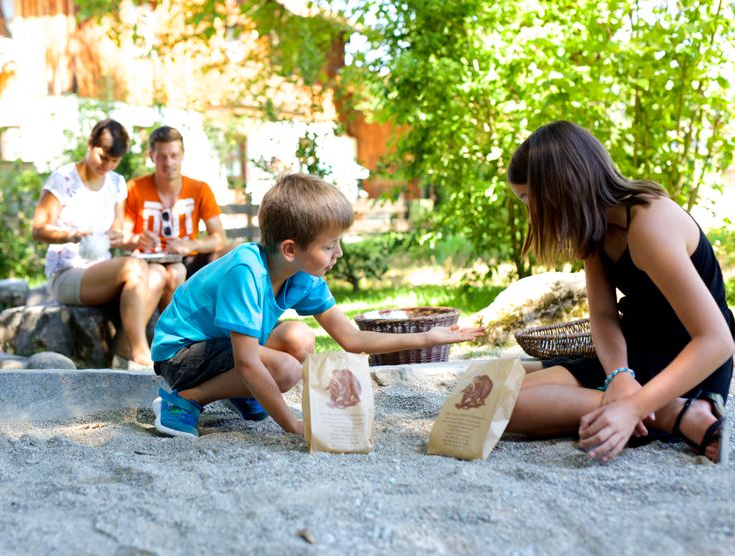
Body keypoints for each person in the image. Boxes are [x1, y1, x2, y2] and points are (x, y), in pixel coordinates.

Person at [149, 173, 484, 438]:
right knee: (286, 370)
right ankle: (185, 401)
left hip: (217, 346)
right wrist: (292, 425)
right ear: (291, 249)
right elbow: (248, 362)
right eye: (329, 246)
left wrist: (428, 339)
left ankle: (240, 393)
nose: (338, 254)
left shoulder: (302, 276)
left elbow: (352, 340)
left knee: (300, 339)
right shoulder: (246, 271)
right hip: (179, 356)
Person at [504, 120, 735, 463]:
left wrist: (633, 406)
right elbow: (602, 315)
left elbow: (716, 340)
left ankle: (668, 409)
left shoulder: (649, 225)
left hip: (687, 361)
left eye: (527, 200)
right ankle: (669, 413)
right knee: (497, 395)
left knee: (508, 406)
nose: (529, 214)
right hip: (634, 352)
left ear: (557, 190)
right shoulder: (597, 230)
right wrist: (619, 376)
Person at [32, 119, 164, 370]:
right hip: (67, 272)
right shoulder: (63, 179)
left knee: (157, 273)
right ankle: (140, 353)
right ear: (90, 145)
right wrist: (70, 234)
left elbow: (116, 235)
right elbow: (38, 230)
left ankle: (124, 348)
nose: (107, 165)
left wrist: (134, 239)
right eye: (103, 157)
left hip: (102, 271)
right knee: (136, 268)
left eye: (114, 161)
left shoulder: (116, 183)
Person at [124, 126, 227, 309]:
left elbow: (219, 239)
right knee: (169, 274)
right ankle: (171, 333)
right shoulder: (134, 188)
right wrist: (137, 240)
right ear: (151, 156)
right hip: (149, 260)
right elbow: (123, 236)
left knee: (236, 251)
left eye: (173, 155)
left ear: (182, 155)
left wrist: (192, 244)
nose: (168, 162)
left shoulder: (200, 189)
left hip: (187, 259)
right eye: (162, 156)